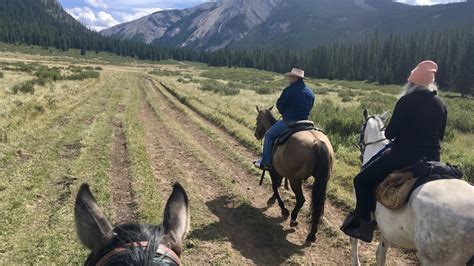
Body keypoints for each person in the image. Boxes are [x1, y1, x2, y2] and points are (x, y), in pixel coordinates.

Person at [340, 60, 448, 242]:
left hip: (403, 156)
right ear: (430, 83)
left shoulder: (406, 101)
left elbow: (390, 134)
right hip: (433, 159)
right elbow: (440, 136)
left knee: (361, 180)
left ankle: (364, 225)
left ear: (412, 83)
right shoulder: (440, 104)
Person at [254, 68, 315, 170]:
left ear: (295, 78)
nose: (288, 79)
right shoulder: (310, 92)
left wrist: (285, 112)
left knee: (269, 135)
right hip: (306, 123)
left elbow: (280, 106)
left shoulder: (289, 90)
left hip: (290, 121)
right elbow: (310, 106)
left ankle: (265, 162)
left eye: (290, 77)